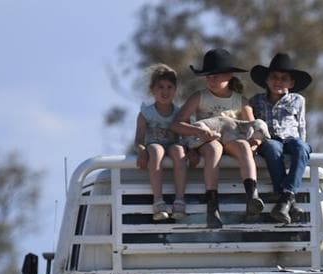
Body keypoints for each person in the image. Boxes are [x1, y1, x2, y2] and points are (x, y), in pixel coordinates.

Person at [173, 48, 265, 228]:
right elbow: (177, 124)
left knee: (243, 147)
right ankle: (212, 207)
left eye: (215, 76)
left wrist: (254, 145)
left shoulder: (241, 101)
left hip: (231, 139)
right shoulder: (199, 97)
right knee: (214, 149)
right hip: (208, 139)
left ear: (228, 76)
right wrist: (197, 132)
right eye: (208, 76)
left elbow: (254, 128)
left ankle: (252, 196)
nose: (211, 80)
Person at [249, 53, 313, 225]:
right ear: (267, 80)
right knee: (272, 147)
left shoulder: (298, 100)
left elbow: (301, 125)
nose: (278, 81)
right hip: (270, 139)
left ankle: (285, 197)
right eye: (274, 77)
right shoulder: (256, 101)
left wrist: (302, 144)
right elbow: (253, 124)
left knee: (302, 147)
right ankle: (288, 201)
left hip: (291, 139)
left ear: (291, 83)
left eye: (284, 79)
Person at [133, 64, 191, 222]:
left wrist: (192, 151)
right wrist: (142, 152)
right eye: (160, 87)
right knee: (156, 150)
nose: (165, 91)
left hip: (173, 146)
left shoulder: (180, 113)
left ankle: (179, 200)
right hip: (153, 145)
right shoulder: (146, 114)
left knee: (179, 150)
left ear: (175, 89)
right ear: (152, 90)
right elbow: (138, 140)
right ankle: (158, 201)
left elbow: (187, 137)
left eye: (169, 87)